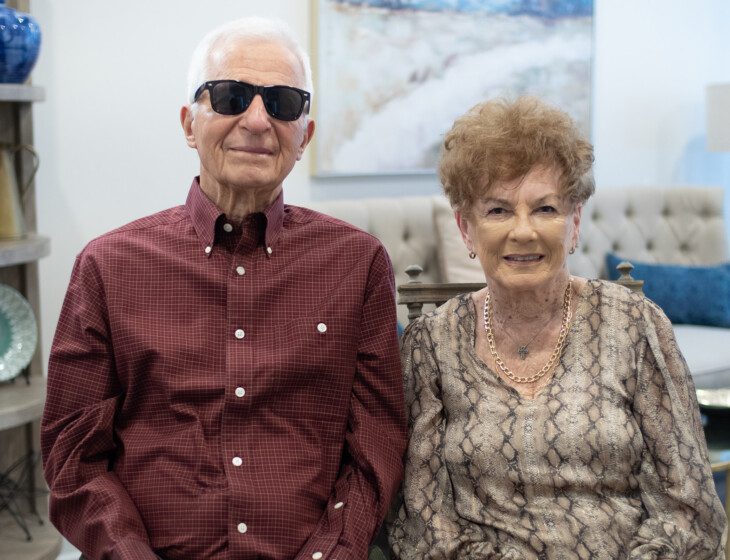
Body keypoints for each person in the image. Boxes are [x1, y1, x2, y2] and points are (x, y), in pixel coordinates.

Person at [41, 16, 406, 560]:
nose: (257, 120)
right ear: (189, 124)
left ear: (304, 134)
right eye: (232, 95)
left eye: (283, 103)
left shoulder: (358, 264)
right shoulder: (108, 265)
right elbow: (74, 456)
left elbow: (376, 445)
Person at [387, 96, 727, 559]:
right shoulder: (431, 345)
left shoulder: (635, 324)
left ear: (575, 222)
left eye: (545, 209)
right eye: (498, 211)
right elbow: (425, 518)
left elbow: (689, 506)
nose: (523, 231)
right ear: (466, 229)